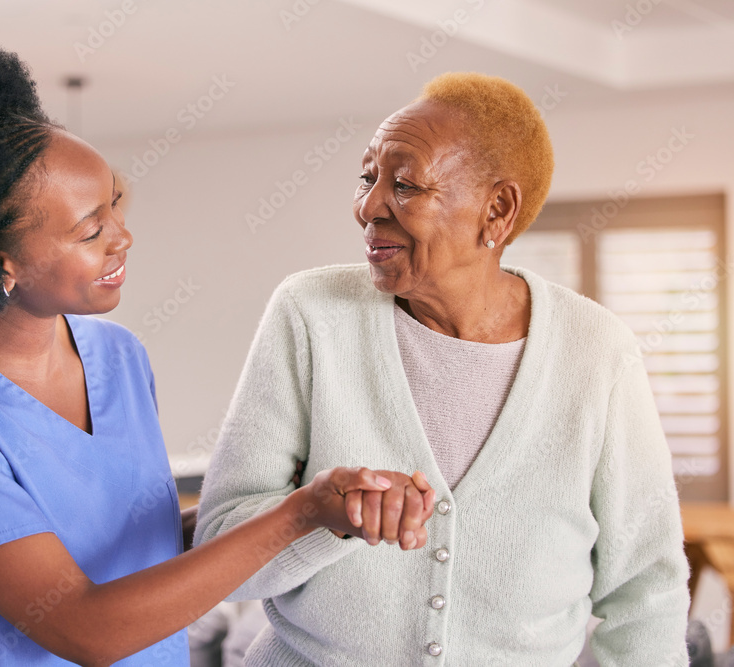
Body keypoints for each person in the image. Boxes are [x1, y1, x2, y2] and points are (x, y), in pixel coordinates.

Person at [0, 45, 436, 666]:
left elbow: (134, 548)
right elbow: (82, 627)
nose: (123, 236)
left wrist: (302, 504)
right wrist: (295, 515)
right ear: (0, 261)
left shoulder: (117, 357)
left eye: (115, 205)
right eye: (90, 230)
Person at [194, 72, 691, 665]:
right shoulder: (312, 314)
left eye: (404, 184)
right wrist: (327, 518)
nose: (368, 207)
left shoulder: (598, 352)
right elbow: (218, 550)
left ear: (496, 210)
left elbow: (647, 593)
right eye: (367, 177)